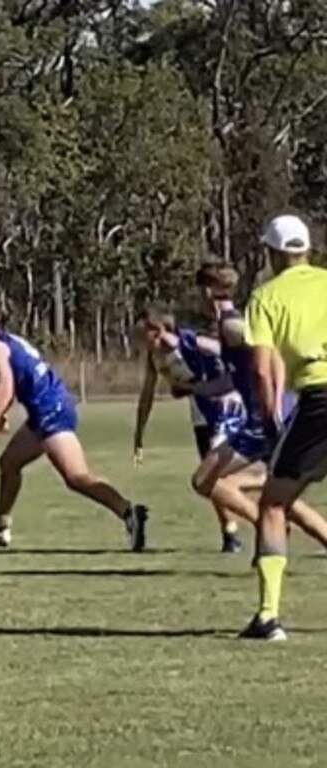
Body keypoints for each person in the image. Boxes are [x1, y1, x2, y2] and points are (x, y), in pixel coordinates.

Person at [0, 295, 148, 551]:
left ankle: (128, 512)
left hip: (51, 409)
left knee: (76, 476)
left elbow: (5, 388)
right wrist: (1, 415)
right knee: (9, 463)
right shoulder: (2, 342)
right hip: (45, 410)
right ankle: (0, 527)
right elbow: (13, 383)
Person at [186, 259, 327, 590]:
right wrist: (195, 388)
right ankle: (270, 517)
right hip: (259, 418)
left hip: (264, 420)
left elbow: (271, 359)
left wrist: (273, 408)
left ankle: (263, 522)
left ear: (206, 291)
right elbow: (230, 382)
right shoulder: (228, 325)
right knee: (283, 498)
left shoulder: (234, 326)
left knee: (205, 480)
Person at [239, 214, 327, 640]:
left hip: (318, 401)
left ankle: (268, 615)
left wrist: (271, 419)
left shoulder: (265, 297)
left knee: (273, 503)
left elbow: (260, 369)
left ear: (273, 254)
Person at [132, 306, 246, 552]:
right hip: (200, 415)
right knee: (211, 478)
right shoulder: (155, 358)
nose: (139, 342)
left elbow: (231, 361)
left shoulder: (189, 343)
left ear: (156, 330)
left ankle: (247, 521)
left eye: (142, 335)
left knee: (212, 476)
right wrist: (139, 433)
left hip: (224, 409)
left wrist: (214, 386)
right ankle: (230, 530)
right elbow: (147, 395)